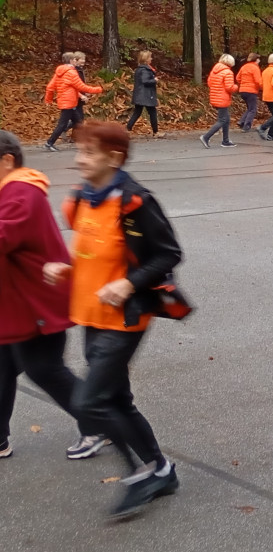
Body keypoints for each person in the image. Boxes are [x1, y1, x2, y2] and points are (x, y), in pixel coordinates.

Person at [43, 121, 190, 518]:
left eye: (88, 153)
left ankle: (143, 472)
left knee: (89, 402)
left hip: (125, 318)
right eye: (79, 151)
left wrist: (127, 284)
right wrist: (66, 268)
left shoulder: (135, 202)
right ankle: (161, 470)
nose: (79, 159)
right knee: (116, 399)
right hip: (91, 315)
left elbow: (169, 253)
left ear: (114, 158)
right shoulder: (82, 198)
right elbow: (91, 252)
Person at [0, 130, 107, 461]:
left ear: (7, 160)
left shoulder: (21, 192)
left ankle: (100, 423)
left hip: (35, 302)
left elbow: (3, 236)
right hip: (17, 302)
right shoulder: (10, 190)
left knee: (44, 368)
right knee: (3, 367)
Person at [44, 53, 103, 152]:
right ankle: (49, 142)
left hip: (67, 102)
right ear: (71, 61)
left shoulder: (59, 72)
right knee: (62, 124)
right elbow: (81, 87)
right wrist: (98, 89)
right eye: (75, 60)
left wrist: (48, 100)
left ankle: (85, 142)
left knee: (79, 122)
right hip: (69, 103)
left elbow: (50, 87)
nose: (76, 61)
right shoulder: (71, 72)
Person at [200, 54, 238, 148]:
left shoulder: (215, 70)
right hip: (222, 98)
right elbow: (229, 87)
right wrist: (236, 87)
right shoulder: (228, 72)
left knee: (226, 119)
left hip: (214, 97)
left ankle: (226, 140)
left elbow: (209, 83)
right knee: (222, 120)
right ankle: (206, 137)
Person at [126, 50, 161, 137]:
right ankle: (155, 132)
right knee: (152, 112)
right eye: (150, 57)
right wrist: (154, 80)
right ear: (146, 59)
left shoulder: (140, 69)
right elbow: (145, 81)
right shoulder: (145, 70)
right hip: (146, 95)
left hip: (140, 95)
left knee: (137, 112)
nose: (151, 59)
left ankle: (127, 129)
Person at [235, 53, 262, 133]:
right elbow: (258, 81)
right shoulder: (255, 68)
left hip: (242, 90)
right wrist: (262, 87)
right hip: (251, 90)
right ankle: (246, 126)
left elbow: (237, 78)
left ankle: (242, 121)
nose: (259, 60)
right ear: (256, 60)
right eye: (258, 59)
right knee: (253, 109)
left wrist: (243, 83)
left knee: (250, 108)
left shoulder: (244, 67)